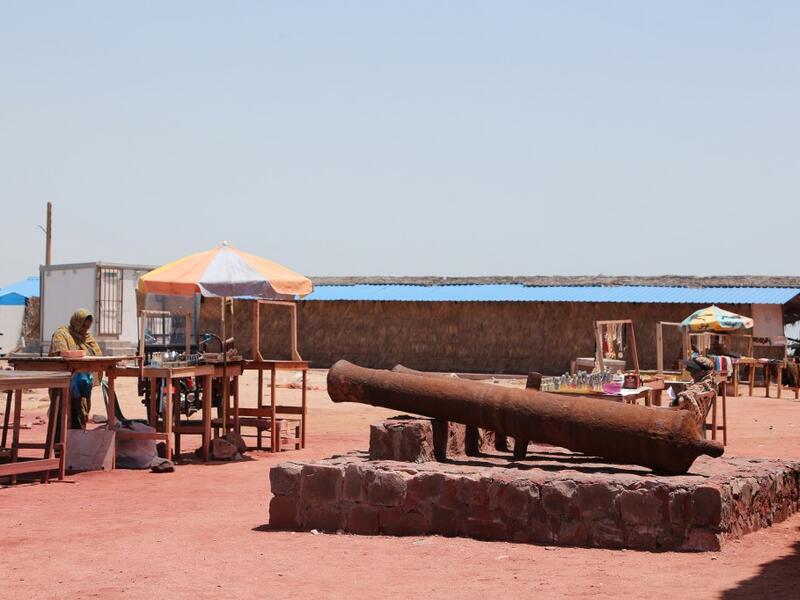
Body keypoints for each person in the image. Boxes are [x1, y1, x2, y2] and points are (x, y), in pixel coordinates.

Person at [50, 309, 102, 429]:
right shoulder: (62, 334)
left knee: (80, 410)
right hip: (63, 381)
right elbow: (60, 354)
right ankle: (60, 442)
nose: (85, 329)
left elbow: (98, 354)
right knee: (62, 412)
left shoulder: (87, 337)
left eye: (87, 326)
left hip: (82, 382)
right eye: (83, 325)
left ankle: (77, 438)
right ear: (76, 322)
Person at [671, 355, 716, 432]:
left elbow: (682, 401)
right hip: (694, 418)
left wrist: (676, 399)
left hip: (687, 420)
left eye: (693, 370)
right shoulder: (709, 383)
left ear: (702, 372)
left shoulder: (700, 386)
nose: (690, 372)